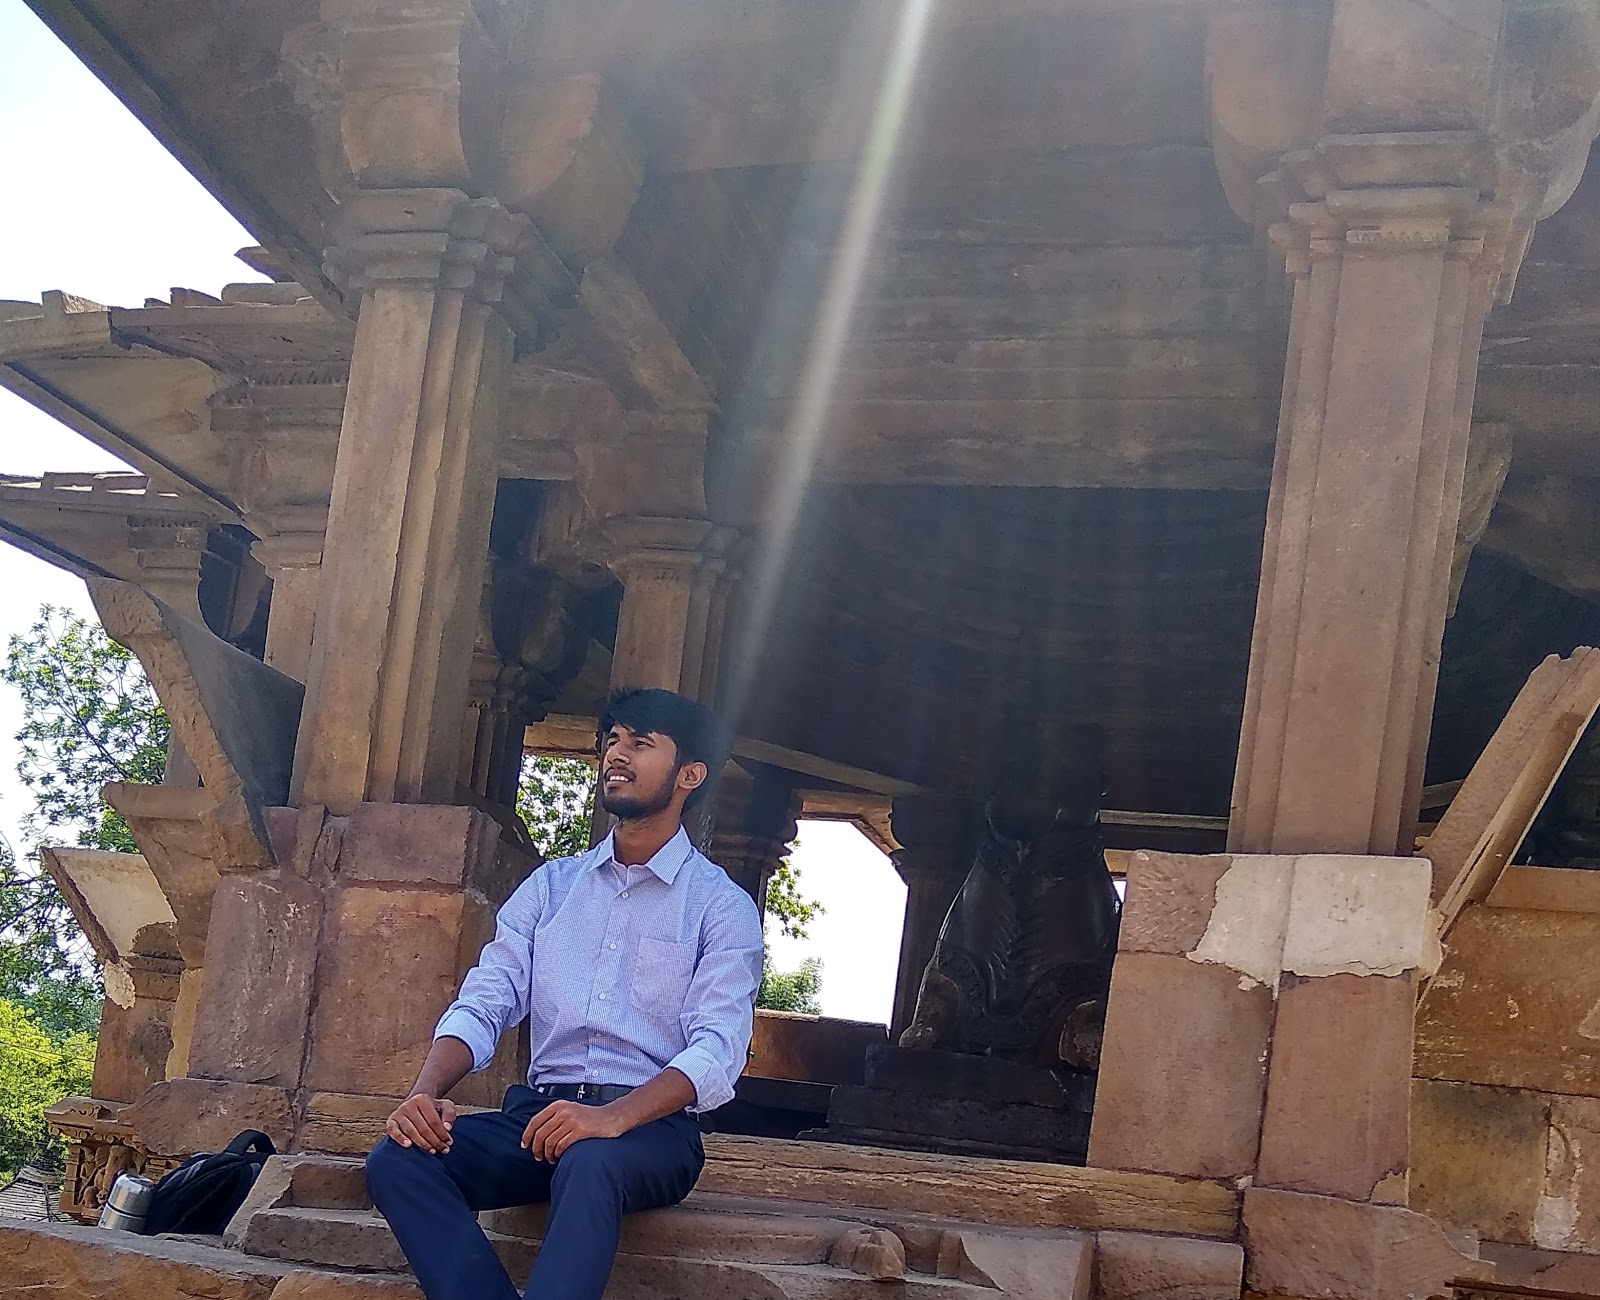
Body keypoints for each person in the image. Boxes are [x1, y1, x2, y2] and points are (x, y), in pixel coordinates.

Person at [365, 687, 765, 1300]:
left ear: (690, 774)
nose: (616, 755)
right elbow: (486, 999)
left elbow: (718, 1050)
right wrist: (425, 1094)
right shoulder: (550, 887)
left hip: (650, 1132)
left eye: (641, 743)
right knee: (399, 1159)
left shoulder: (720, 906)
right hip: (538, 1119)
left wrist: (611, 1118)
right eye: (612, 741)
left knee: (590, 1159)